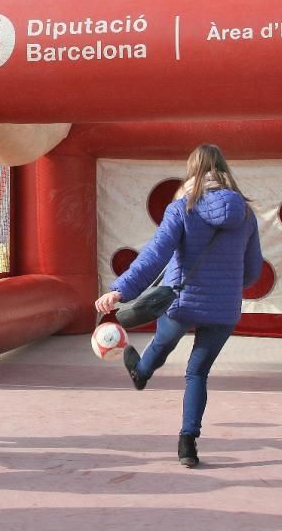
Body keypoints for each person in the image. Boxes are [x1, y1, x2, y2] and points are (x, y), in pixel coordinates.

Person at [95, 144, 262, 469]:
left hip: (182, 300)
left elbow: (154, 255)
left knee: (161, 343)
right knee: (197, 373)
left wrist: (119, 291)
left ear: (193, 171)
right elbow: (253, 271)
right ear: (224, 170)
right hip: (224, 308)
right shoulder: (246, 214)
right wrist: (225, 283)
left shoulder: (182, 209)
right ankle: (188, 444)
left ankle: (141, 373)